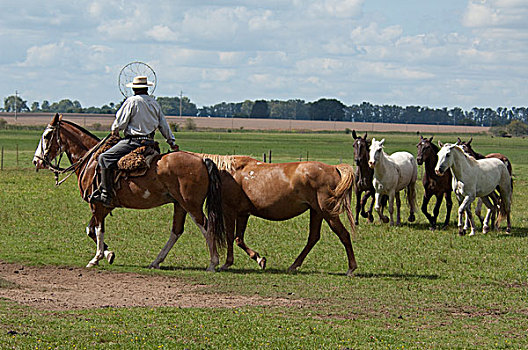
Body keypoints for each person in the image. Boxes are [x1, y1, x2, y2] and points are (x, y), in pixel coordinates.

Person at [89, 75, 179, 206]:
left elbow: (120, 121)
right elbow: (163, 125)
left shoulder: (132, 101)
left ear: (134, 89)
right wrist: (171, 141)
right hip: (150, 143)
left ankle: (105, 194)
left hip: (133, 142)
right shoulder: (154, 103)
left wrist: (115, 131)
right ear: (146, 88)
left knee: (104, 158)